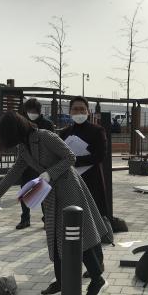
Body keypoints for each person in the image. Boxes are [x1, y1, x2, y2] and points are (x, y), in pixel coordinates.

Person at [0, 112, 109, 295]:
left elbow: (70, 157)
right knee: (56, 237)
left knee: (78, 235)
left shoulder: (44, 136)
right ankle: (62, 281)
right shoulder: (24, 146)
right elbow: (16, 170)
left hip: (68, 188)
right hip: (50, 193)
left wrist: (50, 173)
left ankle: (98, 280)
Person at [60, 96, 109, 275]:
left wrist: (74, 160)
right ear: (70, 112)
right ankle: (77, 261)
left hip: (92, 181)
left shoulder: (97, 131)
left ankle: (98, 263)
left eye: (82, 109)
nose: (79, 112)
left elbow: (100, 155)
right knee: (74, 222)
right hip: (71, 182)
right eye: (75, 109)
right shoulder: (64, 133)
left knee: (93, 223)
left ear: (88, 111)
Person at [16, 98, 54, 230]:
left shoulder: (47, 124)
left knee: (43, 192)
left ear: (39, 111)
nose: (31, 113)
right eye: (29, 111)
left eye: (34, 111)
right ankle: (25, 218)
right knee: (25, 190)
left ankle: (46, 219)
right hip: (27, 163)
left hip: (42, 165)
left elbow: (52, 143)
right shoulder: (23, 123)